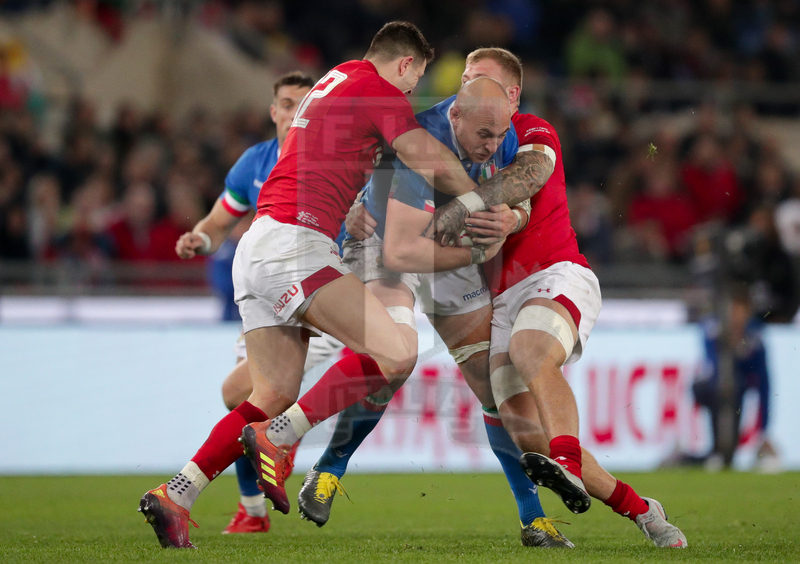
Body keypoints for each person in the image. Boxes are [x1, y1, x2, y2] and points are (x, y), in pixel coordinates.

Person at [139, 21, 486, 549]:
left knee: (272, 394)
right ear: (405, 64)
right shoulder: (376, 86)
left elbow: (342, 159)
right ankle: (279, 439)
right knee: (398, 353)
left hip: (258, 245)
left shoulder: (337, 79)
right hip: (296, 245)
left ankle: (176, 493)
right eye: (413, 81)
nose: (409, 94)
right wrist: (480, 198)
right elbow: (423, 152)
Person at [294, 77, 572, 548]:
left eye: (500, 132)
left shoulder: (505, 134)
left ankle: (534, 519)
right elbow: (396, 244)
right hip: (385, 247)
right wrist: (354, 208)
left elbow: (524, 191)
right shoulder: (416, 137)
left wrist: (514, 217)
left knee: (492, 387)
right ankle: (328, 469)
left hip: (449, 254)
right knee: (393, 361)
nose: (493, 144)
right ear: (456, 110)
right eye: (484, 134)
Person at [432, 47, 688, 548]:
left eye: (482, 79)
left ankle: (566, 461)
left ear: (512, 96)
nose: (468, 88)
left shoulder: (532, 129)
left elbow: (530, 175)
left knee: (531, 352)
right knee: (526, 431)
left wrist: (473, 210)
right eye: (465, 78)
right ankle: (641, 509)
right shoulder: (451, 147)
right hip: (501, 298)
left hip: (555, 273)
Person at [173, 71, 349, 534]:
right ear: (274, 111)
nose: (295, 113)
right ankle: (254, 507)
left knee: (244, 395)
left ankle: (280, 443)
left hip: (320, 297)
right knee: (241, 398)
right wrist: (199, 239)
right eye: (287, 104)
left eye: (305, 104)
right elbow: (217, 223)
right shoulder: (255, 162)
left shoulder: (334, 157)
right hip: (270, 295)